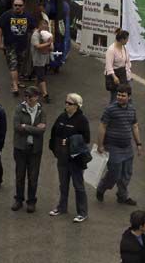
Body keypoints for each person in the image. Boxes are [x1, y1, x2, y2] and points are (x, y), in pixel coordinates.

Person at [96, 84, 144, 206]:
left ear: (129, 96)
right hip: (113, 147)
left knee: (126, 174)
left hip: (127, 147)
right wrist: (100, 145)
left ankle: (122, 196)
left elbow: (134, 126)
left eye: (123, 95)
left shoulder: (132, 109)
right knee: (114, 174)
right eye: (118, 94)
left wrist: (138, 144)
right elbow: (102, 126)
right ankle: (101, 188)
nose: (120, 97)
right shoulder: (110, 110)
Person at [48, 92, 90, 222]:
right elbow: (54, 133)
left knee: (78, 186)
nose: (66, 105)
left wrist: (71, 140)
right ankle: (62, 207)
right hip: (62, 158)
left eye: (69, 103)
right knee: (63, 184)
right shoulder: (62, 117)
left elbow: (86, 139)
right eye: (66, 102)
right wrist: (55, 149)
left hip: (75, 159)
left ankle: (82, 212)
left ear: (77, 106)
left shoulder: (82, 120)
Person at [10, 86, 46, 213]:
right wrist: (34, 128)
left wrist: (26, 126)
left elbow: (42, 130)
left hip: (35, 149)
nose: (27, 99)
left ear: (37, 97)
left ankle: (31, 201)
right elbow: (17, 127)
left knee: (33, 176)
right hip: (20, 148)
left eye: (30, 96)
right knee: (20, 175)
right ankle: (19, 199)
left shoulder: (41, 111)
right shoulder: (19, 109)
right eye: (26, 96)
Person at [0, 0, 35, 96]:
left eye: (20, 5)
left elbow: (33, 28)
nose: (17, 7)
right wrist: (0, 42)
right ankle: (15, 86)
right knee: (13, 64)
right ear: (13, 5)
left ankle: (17, 81)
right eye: (16, 5)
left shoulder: (28, 16)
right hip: (10, 45)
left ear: (23, 6)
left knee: (20, 64)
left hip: (22, 45)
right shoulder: (7, 15)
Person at [105, 29, 132, 104]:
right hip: (115, 76)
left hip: (123, 74)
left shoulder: (124, 48)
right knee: (115, 98)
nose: (127, 41)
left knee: (127, 95)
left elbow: (127, 61)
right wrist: (114, 77)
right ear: (122, 39)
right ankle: (111, 113)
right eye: (126, 39)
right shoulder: (111, 50)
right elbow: (108, 66)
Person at [29, 18, 53, 102]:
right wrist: (48, 43)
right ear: (39, 26)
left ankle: (32, 91)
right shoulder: (35, 35)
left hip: (44, 60)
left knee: (39, 77)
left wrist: (49, 44)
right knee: (41, 77)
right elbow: (37, 46)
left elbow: (51, 48)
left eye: (46, 27)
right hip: (37, 60)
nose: (44, 28)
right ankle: (45, 95)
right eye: (43, 26)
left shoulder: (47, 35)